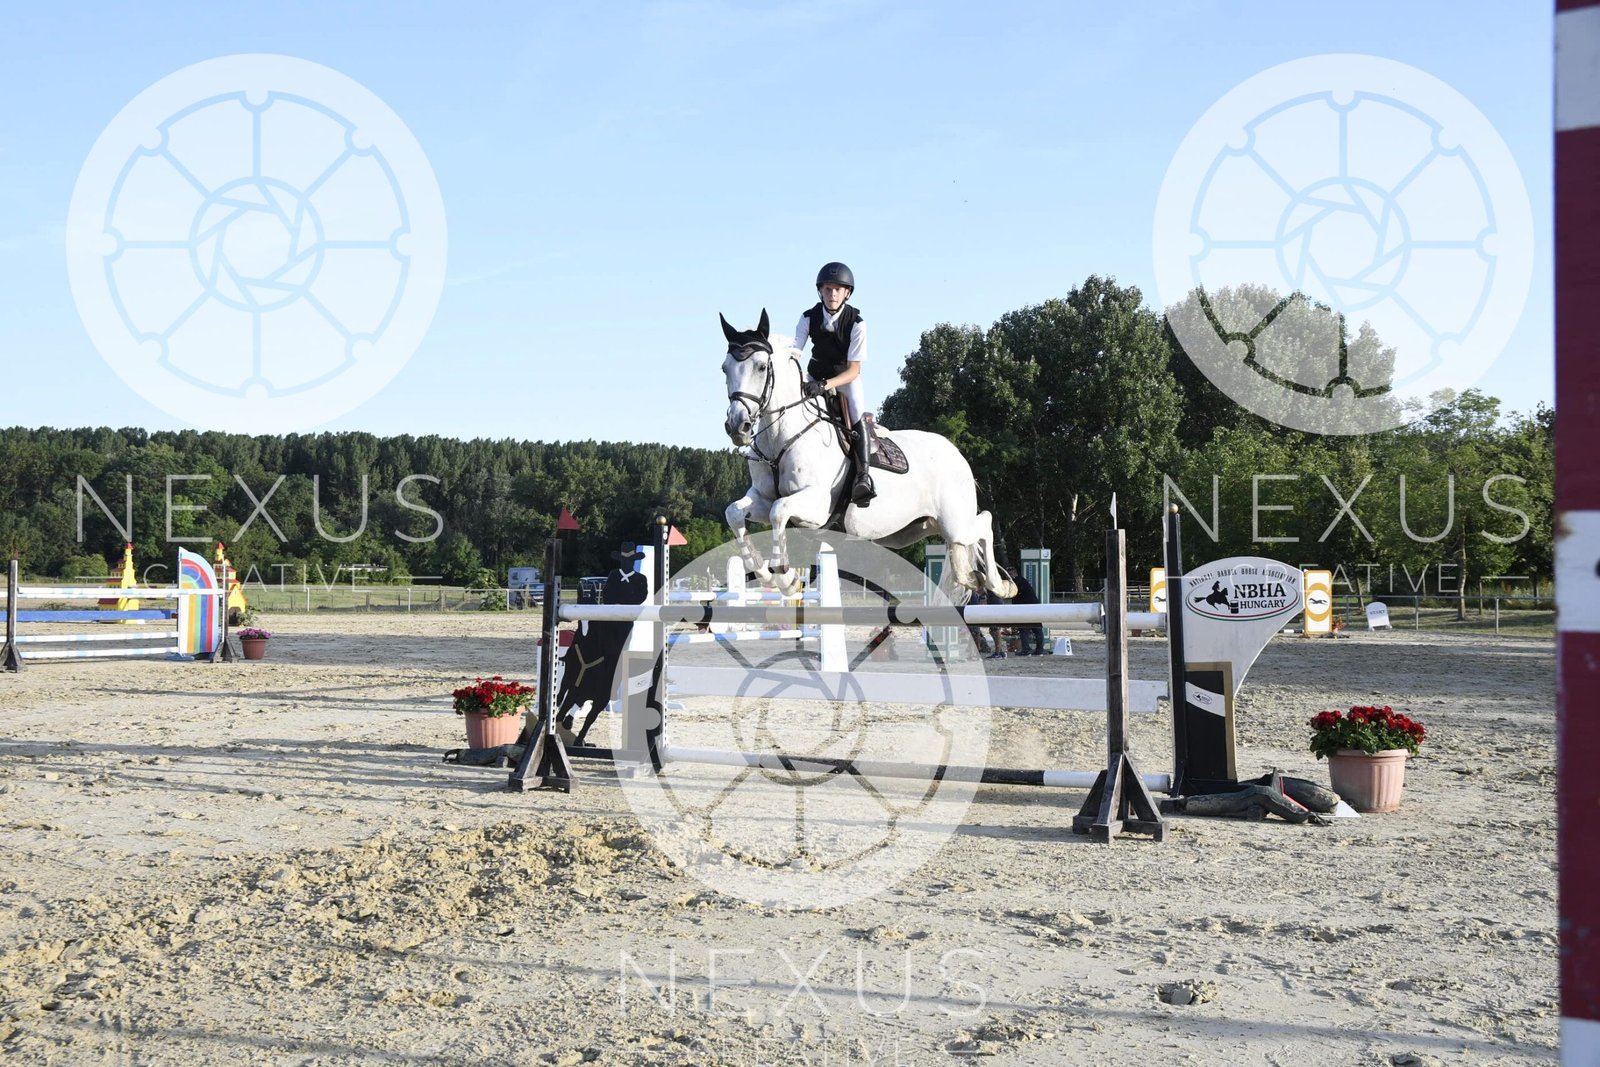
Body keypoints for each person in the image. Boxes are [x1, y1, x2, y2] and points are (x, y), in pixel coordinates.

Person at [795, 261, 875, 506]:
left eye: (838, 289)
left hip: (844, 378)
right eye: (828, 289)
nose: (832, 294)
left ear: (847, 293)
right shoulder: (808, 317)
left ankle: (863, 476)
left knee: (857, 410)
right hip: (813, 375)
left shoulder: (857, 323)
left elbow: (854, 370)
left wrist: (825, 385)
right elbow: (795, 352)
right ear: (820, 291)